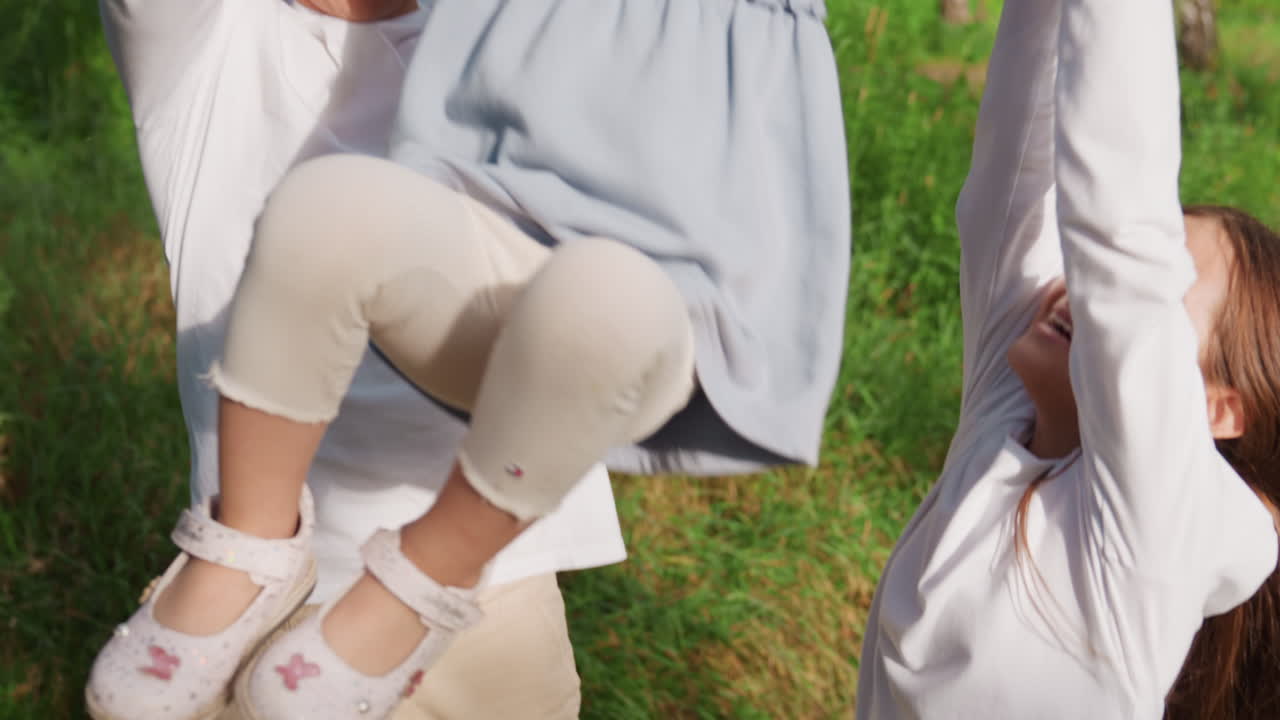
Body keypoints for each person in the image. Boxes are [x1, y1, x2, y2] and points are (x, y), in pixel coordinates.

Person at [88, 0, 851, 717]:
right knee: (330, 214)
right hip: (240, 619)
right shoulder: (208, 44)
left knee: (608, 299)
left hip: (491, 602)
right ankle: (252, 546)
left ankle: (421, 578)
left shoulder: (504, 36)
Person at [856, 0, 1280, 717]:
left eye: (1160, 294)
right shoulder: (1006, 413)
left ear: (1216, 409)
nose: (1085, 284)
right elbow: (1021, 160)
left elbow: (1118, 228)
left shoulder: (1152, 532)